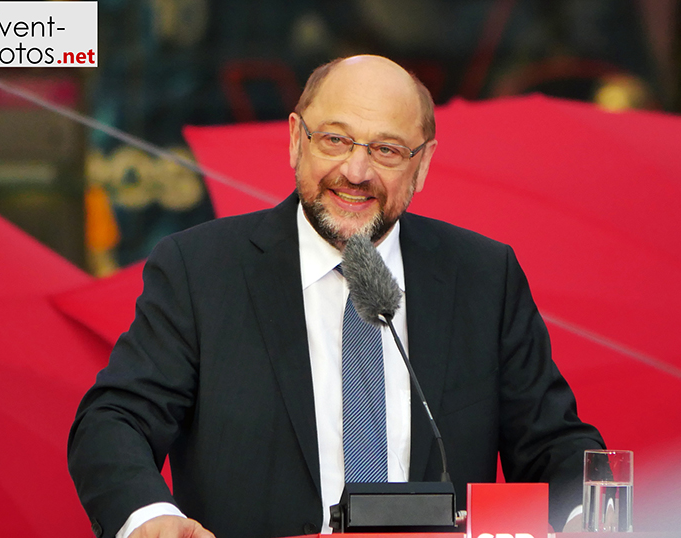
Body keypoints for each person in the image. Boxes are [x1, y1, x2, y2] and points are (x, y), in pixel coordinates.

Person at [68, 55, 604, 538]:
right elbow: (114, 421)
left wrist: (588, 516)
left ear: (423, 164)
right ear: (297, 138)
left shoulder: (484, 277)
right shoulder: (201, 269)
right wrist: (149, 518)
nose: (356, 172)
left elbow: (555, 444)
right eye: (336, 140)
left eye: (387, 150)